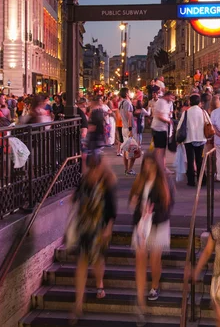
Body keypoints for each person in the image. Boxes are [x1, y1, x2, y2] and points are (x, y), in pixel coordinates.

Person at [69, 154, 117, 323]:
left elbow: (112, 211)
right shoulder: (84, 182)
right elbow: (75, 198)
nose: (93, 172)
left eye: (95, 169)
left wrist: (108, 229)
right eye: (91, 169)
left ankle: (99, 284)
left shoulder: (106, 185)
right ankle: (78, 303)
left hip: (100, 228)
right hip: (85, 227)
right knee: (82, 261)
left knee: (97, 261)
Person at [129, 154, 174, 325]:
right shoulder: (140, 181)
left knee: (154, 260)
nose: (148, 168)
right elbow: (134, 203)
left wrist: (152, 215)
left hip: (158, 225)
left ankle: (154, 286)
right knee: (140, 260)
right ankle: (140, 301)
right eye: (146, 165)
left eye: (151, 165)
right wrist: (136, 208)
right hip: (141, 226)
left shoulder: (164, 182)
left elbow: (167, 207)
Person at [177, 94, 210, 187]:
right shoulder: (203, 112)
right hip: (201, 138)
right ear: (199, 102)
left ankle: (191, 180)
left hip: (189, 139)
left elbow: (180, 126)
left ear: (190, 102)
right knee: (200, 160)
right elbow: (209, 123)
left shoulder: (186, 112)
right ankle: (202, 179)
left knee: (190, 160)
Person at [151, 91, 175, 171]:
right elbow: (158, 115)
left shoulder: (167, 103)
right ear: (167, 95)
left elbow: (166, 114)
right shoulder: (160, 102)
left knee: (162, 149)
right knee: (160, 149)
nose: (172, 100)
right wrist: (168, 121)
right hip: (158, 128)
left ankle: (162, 167)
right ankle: (160, 168)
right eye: (171, 97)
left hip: (163, 128)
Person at [118, 88, 137, 176]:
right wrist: (130, 129)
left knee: (126, 149)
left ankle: (126, 168)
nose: (130, 93)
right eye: (129, 92)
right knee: (133, 149)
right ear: (126, 93)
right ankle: (130, 169)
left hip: (123, 127)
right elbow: (129, 116)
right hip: (129, 128)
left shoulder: (120, 103)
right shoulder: (128, 103)